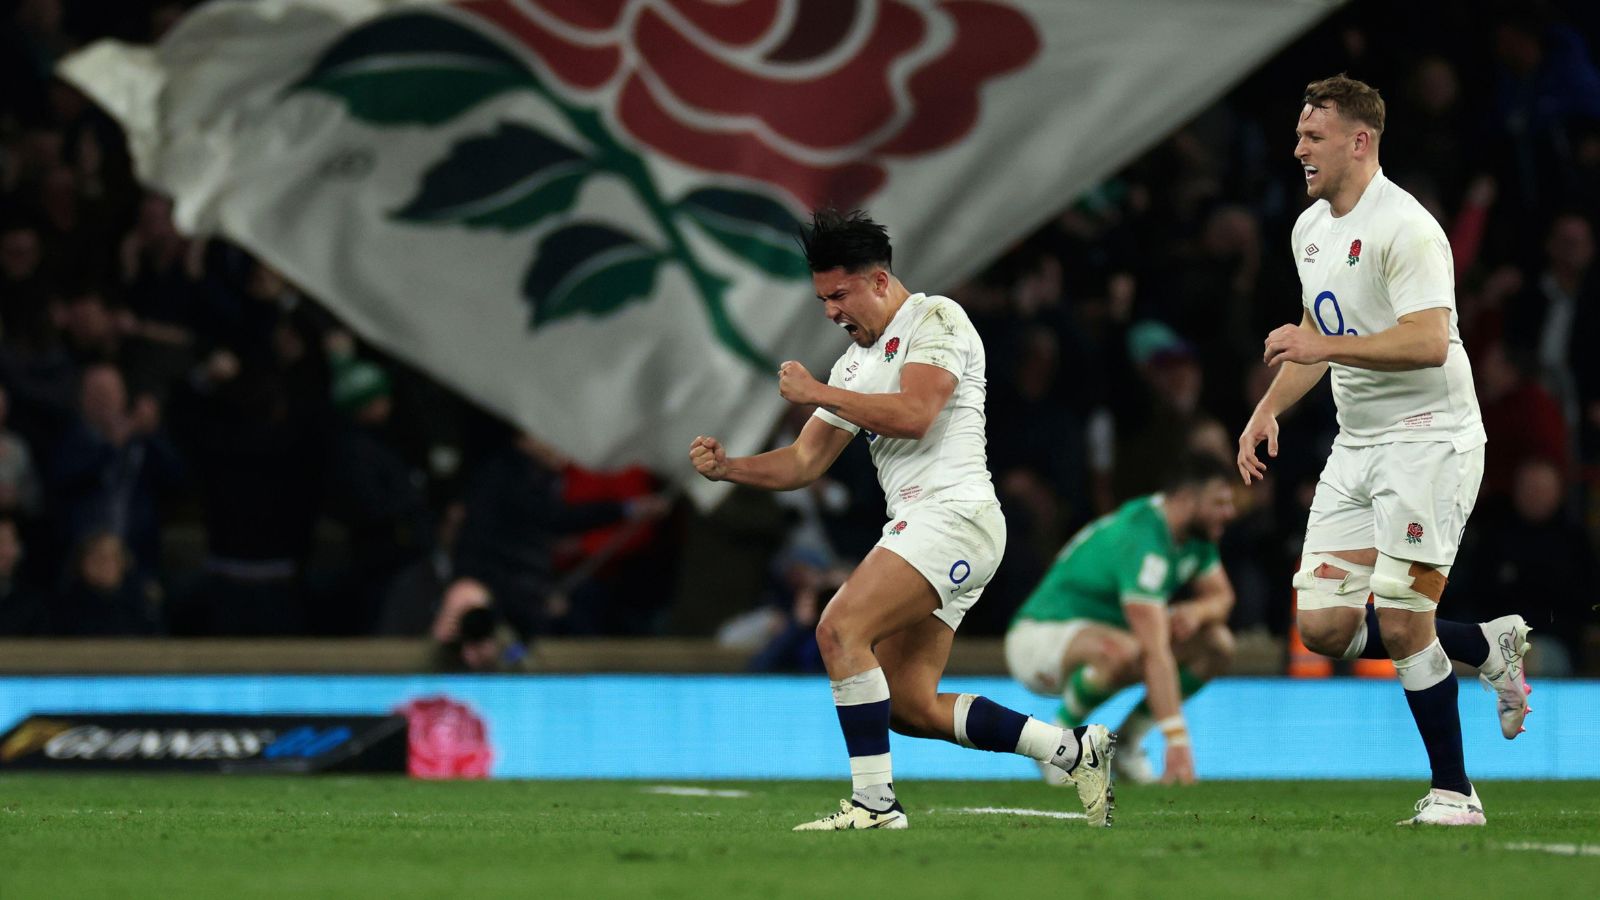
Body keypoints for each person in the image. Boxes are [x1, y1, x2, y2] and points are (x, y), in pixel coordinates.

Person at [690, 209, 1114, 831]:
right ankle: (1072, 750)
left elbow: (917, 412)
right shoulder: (854, 367)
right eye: (821, 299)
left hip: (954, 516)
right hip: (929, 526)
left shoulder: (937, 318)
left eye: (840, 294)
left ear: (880, 280)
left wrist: (817, 394)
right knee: (910, 706)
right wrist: (732, 468)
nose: (832, 311)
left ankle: (874, 805)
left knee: (838, 630)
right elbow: (806, 460)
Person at [1236, 75, 1532, 827]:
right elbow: (1316, 331)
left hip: (1429, 440)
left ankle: (1455, 793)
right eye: (1299, 134)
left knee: (1402, 620)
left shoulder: (1408, 227)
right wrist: (1266, 409)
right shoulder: (1311, 230)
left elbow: (1430, 341)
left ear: (1358, 141)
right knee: (1324, 628)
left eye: (1314, 136)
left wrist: (1322, 345)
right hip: (1357, 443)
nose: (1298, 147)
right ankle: (1485, 644)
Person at [1006, 453, 1238, 788]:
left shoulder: (1196, 536)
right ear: (1187, 499)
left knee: (1216, 643)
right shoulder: (1142, 536)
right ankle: (1056, 747)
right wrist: (1177, 741)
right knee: (1129, 650)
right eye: (1219, 502)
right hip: (1039, 638)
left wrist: (1198, 612)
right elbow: (1154, 651)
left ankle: (1126, 744)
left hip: (1104, 635)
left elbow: (1223, 597)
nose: (1229, 513)